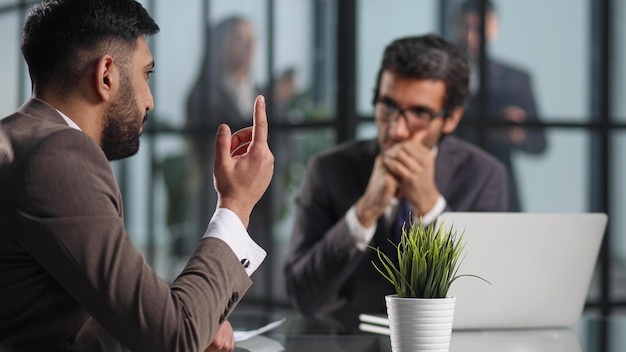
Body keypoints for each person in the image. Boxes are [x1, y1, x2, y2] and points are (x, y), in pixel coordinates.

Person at [0, 0, 274, 351]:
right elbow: (175, 336)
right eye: (147, 75)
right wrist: (236, 205)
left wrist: (198, 310)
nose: (150, 101)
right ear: (106, 75)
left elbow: (81, 300)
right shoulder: (59, 155)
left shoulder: (16, 139)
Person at [284, 34, 508, 319]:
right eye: (388, 106)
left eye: (419, 113)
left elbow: (483, 298)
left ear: (451, 119)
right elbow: (301, 296)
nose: (397, 130)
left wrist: (430, 207)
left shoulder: (484, 176)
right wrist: (365, 212)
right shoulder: (328, 169)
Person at [452, 0, 547, 211]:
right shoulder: (442, 76)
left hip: (500, 185)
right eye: (466, 27)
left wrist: (516, 133)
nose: (471, 36)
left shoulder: (515, 79)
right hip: (453, 181)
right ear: (456, 26)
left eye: (478, 28)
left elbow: (539, 143)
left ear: (494, 28)